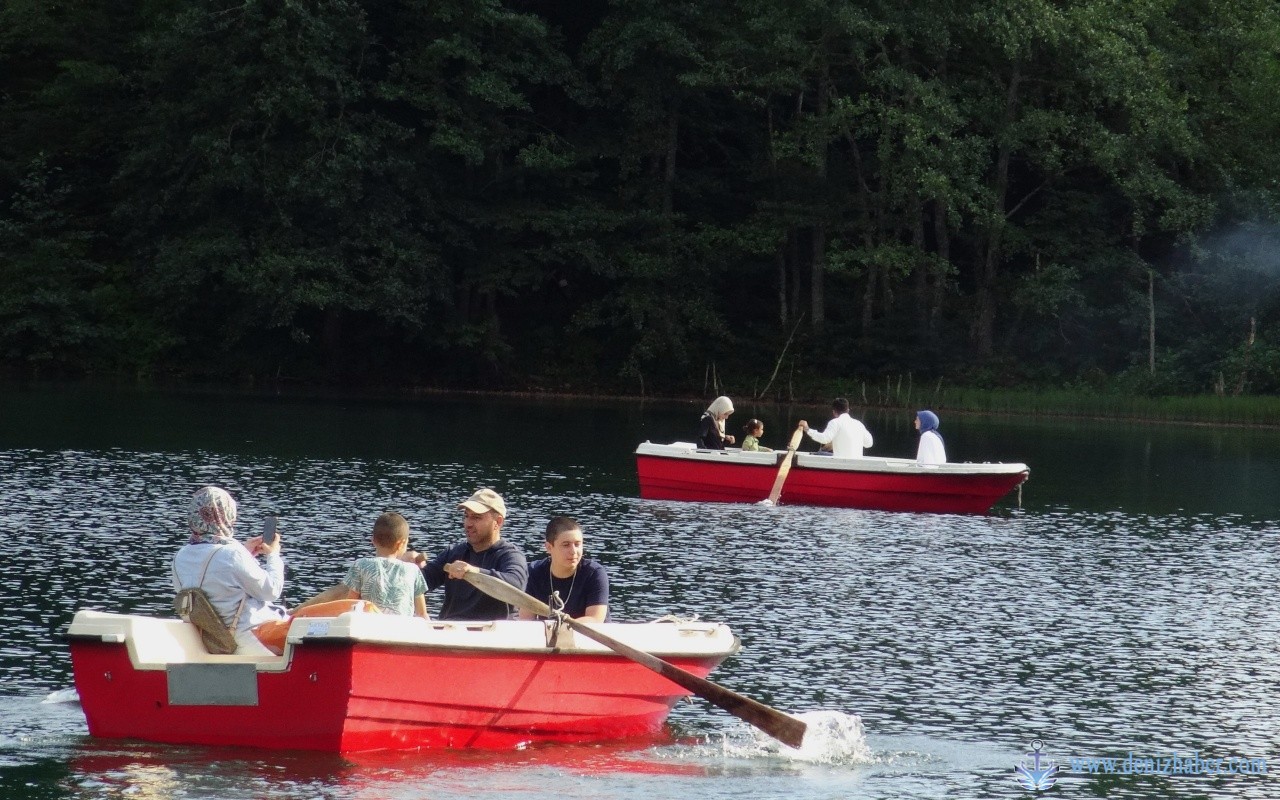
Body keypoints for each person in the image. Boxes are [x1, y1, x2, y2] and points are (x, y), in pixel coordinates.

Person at [172, 486, 372, 656]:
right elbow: (271, 591)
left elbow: (216, 578)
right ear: (224, 515)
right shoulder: (232, 554)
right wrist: (273, 555)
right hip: (254, 637)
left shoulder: (180, 556)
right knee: (359, 607)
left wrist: (245, 551)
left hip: (216, 639)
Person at [409, 488, 529, 621]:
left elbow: (516, 586)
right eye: (466, 516)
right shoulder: (453, 553)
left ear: (498, 522)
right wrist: (404, 569)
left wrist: (474, 571)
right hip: (450, 631)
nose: (468, 524)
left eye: (476, 517)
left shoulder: (510, 556)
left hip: (493, 635)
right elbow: (420, 583)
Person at [520, 516, 610, 622]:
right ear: (549, 547)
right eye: (566, 545)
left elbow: (595, 620)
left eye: (577, 544)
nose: (573, 551)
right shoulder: (534, 572)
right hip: (549, 635)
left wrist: (559, 625)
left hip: (589, 637)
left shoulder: (594, 574)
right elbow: (526, 619)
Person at [343, 511, 429, 618]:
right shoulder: (413, 570)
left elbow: (350, 605)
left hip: (371, 628)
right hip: (402, 629)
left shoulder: (360, 565)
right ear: (401, 544)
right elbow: (422, 613)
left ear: (373, 540)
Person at [798, 398, 873, 458]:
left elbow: (824, 439)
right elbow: (869, 443)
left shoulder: (835, 422)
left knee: (820, 453)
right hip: (858, 463)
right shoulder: (858, 424)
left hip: (840, 464)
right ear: (848, 410)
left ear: (834, 412)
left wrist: (807, 429)